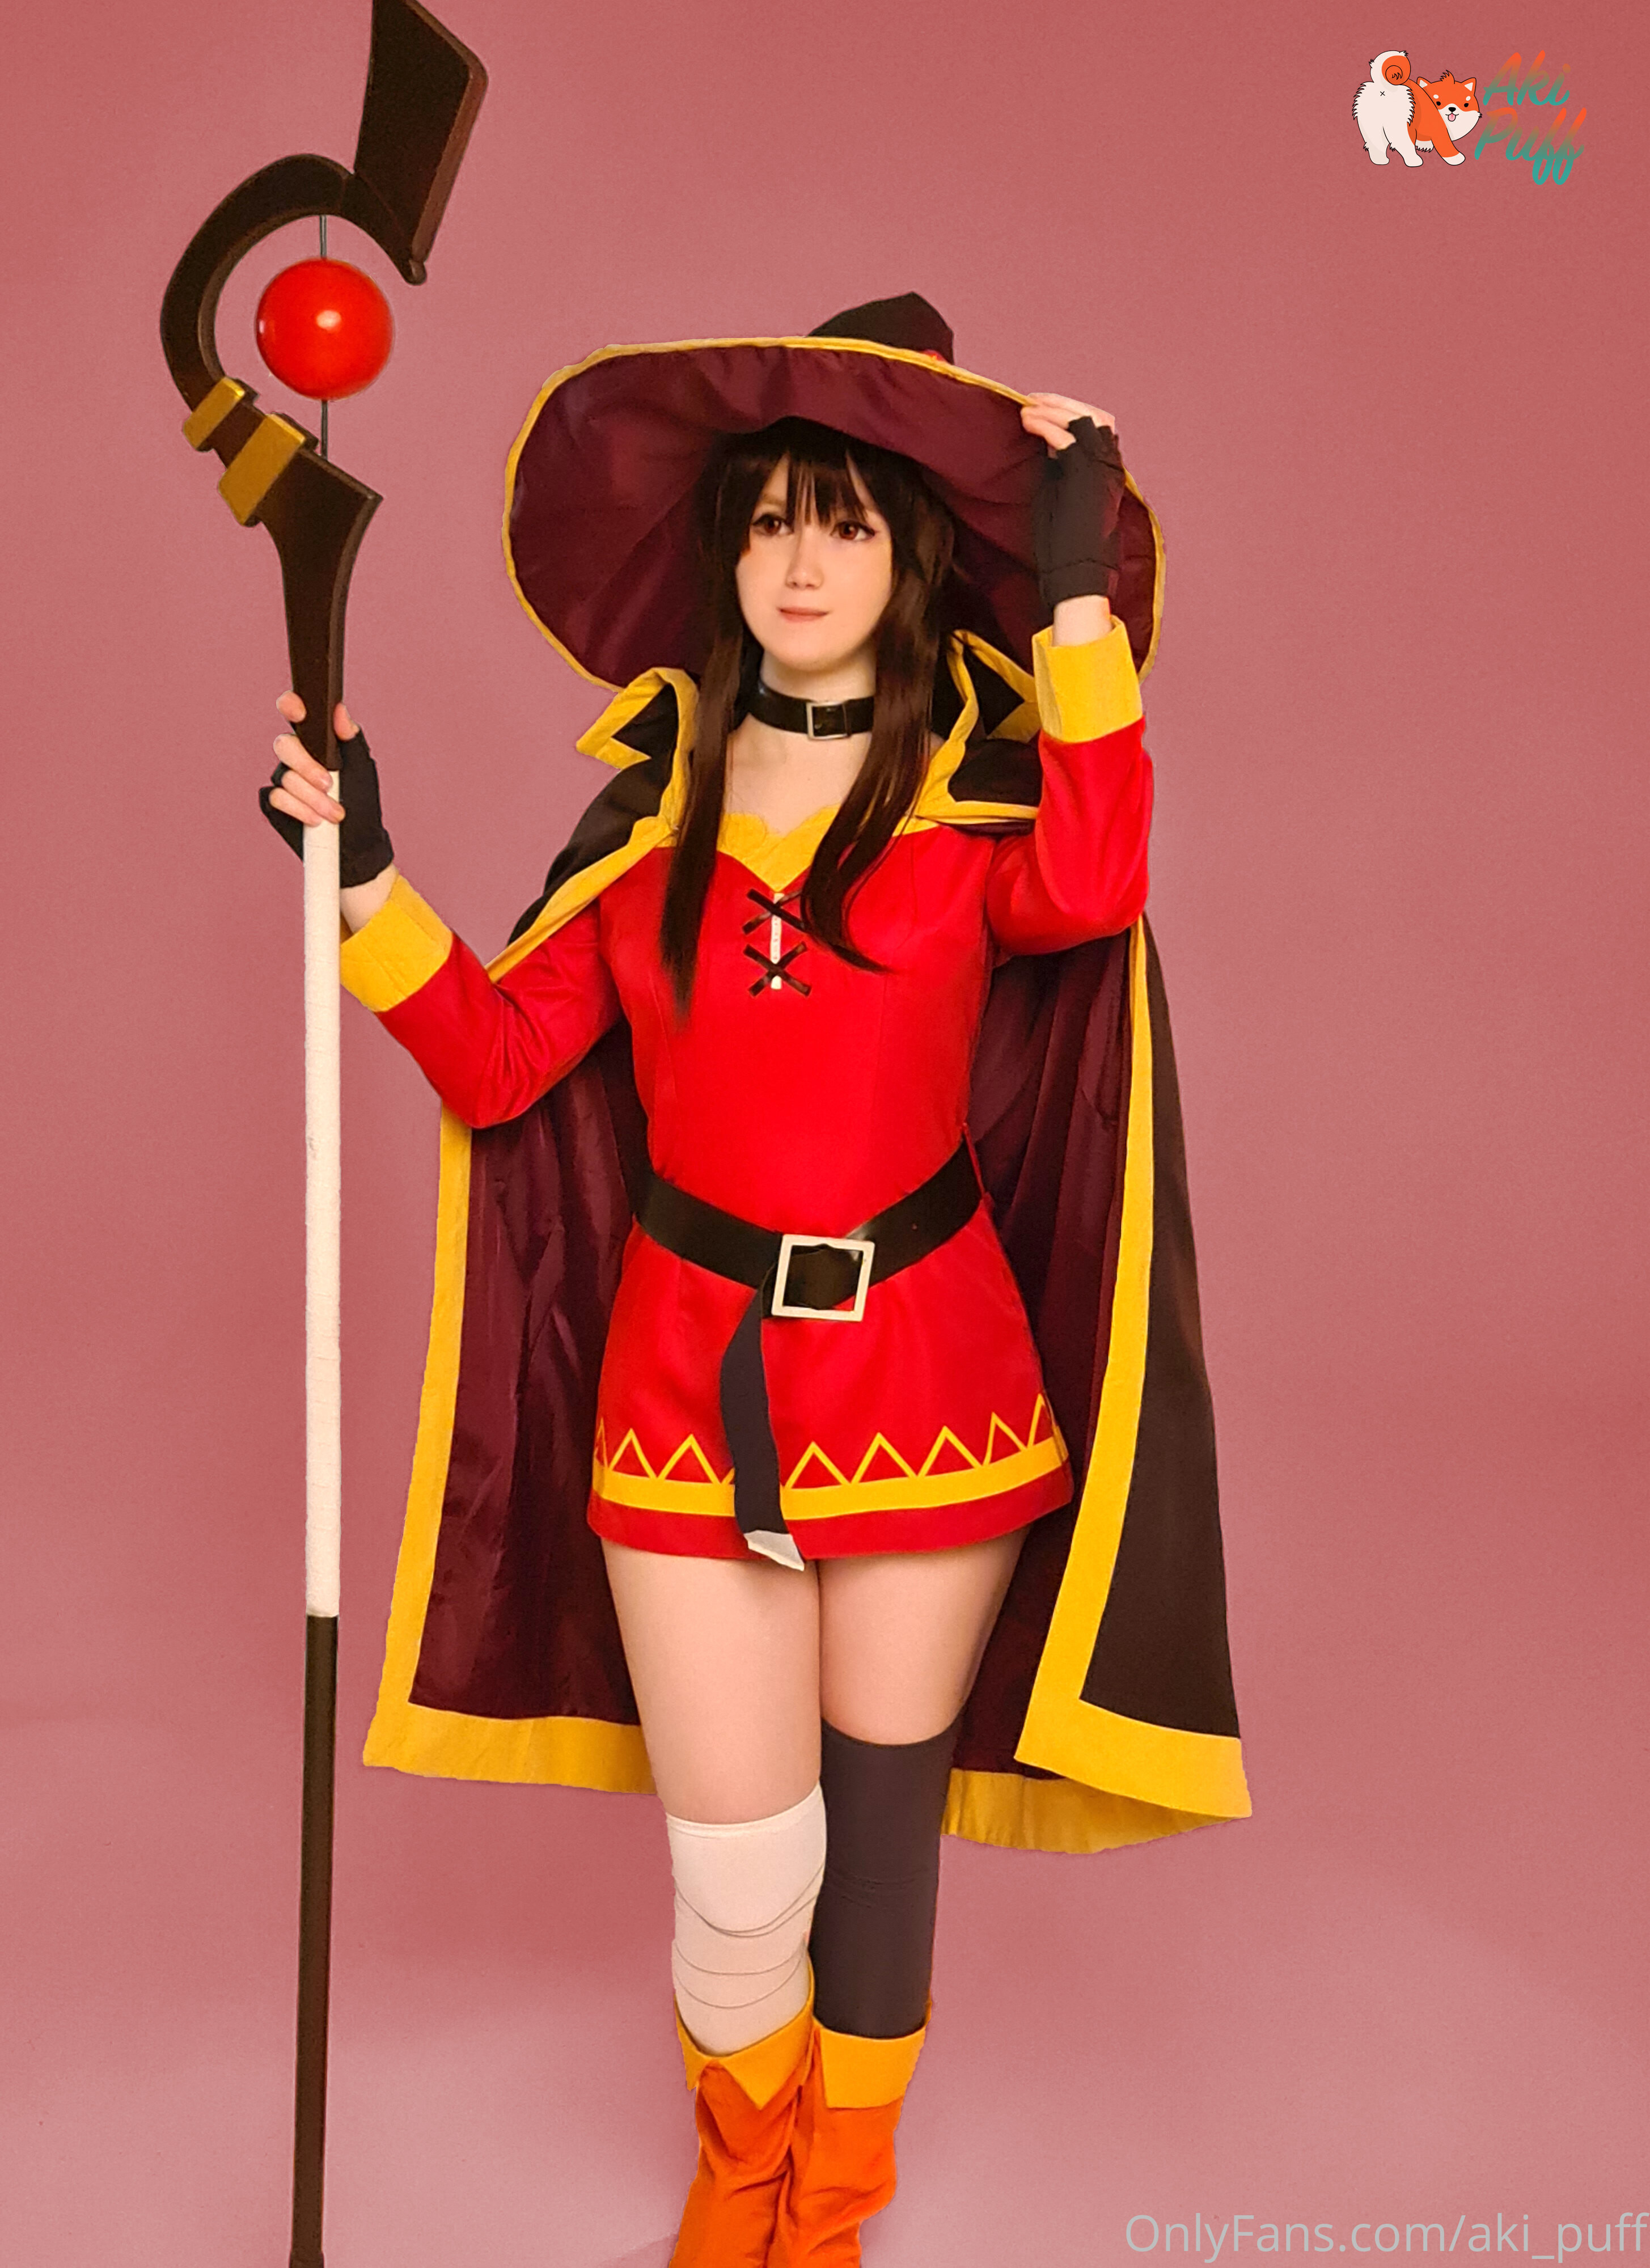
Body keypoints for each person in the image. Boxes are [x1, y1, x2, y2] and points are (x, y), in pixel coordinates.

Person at [260, 293, 1247, 2266]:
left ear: (908, 560)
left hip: (932, 1386)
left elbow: (1099, 879)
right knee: (737, 1867)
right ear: (725, 552)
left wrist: (1075, 598)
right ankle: (739, 2179)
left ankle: (833, 2208)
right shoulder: (649, 834)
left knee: (875, 1841)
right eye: (772, 520)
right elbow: (498, 1062)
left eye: (846, 524)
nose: (801, 562)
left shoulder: (972, 823)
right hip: (681, 1390)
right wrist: (362, 875)